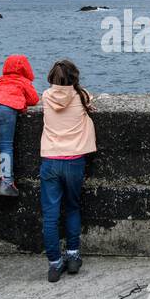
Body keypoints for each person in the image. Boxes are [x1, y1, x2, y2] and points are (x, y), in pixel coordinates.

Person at [38, 59, 96, 282]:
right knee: (72, 207)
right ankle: (73, 256)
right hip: (74, 160)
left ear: (51, 78)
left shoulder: (45, 96)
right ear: (75, 77)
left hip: (51, 160)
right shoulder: (82, 96)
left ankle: (54, 264)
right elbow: (88, 103)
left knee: (50, 216)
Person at [0, 54, 39, 197]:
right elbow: (34, 99)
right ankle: (6, 183)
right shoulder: (22, 82)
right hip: (6, 109)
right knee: (5, 146)